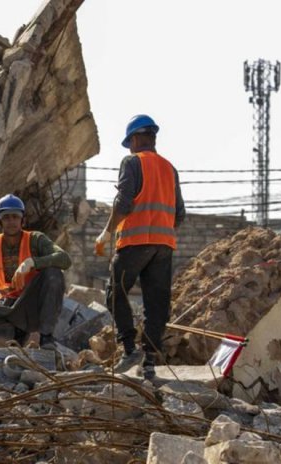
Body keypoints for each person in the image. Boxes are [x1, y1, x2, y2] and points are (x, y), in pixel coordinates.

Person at [95, 114, 185, 379]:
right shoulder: (170, 168)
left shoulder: (132, 162)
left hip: (135, 242)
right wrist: (161, 232)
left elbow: (123, 203)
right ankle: (149, 364)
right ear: (152, 137)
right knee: (156, 305)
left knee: (115, 291)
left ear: (134, 139)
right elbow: (180, 215)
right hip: (163, 246)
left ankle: (129, 349)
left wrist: (106, 233)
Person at [0, 194, 71, 349]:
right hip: (8, 303)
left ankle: (46, 337)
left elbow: (64, 259)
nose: (11, 221)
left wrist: (31, 262)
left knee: (54, 274)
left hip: (33, 301)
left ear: (23, 220)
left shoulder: (36, 239)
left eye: (15, 217)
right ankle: (16, 332)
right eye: (6, 217)